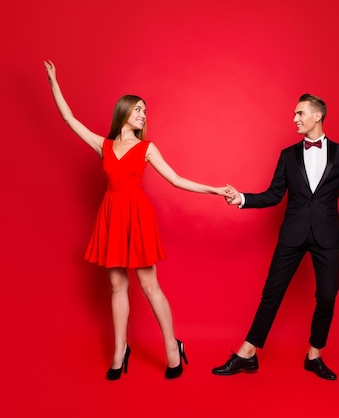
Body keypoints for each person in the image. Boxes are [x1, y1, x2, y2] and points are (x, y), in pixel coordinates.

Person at [43, 60, 230, 380]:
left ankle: (172, 347)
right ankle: (120, 351)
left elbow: (175, 179)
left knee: (149, 285)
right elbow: (68, 118)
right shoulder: (103, 145)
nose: (144, 114)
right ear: (124, 112)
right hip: (112, 215)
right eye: (138, 109)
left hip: (138, 216)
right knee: (117, 286)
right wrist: (53, 82)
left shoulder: (146, 147)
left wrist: (213, 190)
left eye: (145, 110)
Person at [212, 94, 339, 380]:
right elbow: (273, 194)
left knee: (327, 297)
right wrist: (241, 198)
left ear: (317, 116)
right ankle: (247, 353)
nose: (294, 118)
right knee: (271, 294)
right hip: (292, 234)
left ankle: (314, 354)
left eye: (299, 113)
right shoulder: (287, 155)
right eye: (294, 114)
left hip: (327, 236)